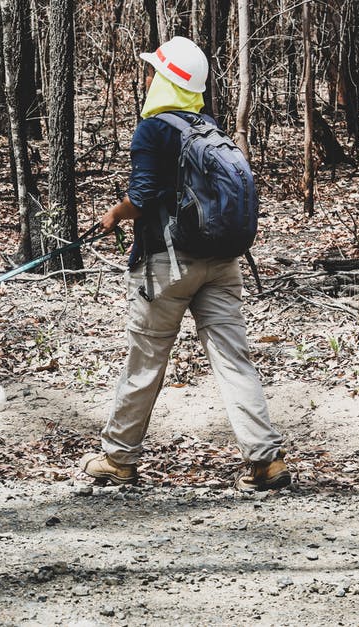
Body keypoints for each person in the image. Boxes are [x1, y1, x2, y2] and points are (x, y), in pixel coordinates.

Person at [78, 37, 290, 492]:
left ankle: (118, 458)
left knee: (146, 361)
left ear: (167, 80)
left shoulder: (154, 128)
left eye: (155, 72)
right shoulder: (209, 126)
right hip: (223, 263)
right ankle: (265, 461)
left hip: (168, 267)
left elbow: (143, 195)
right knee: (234, 360)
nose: (149, 77)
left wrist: (114, 215)